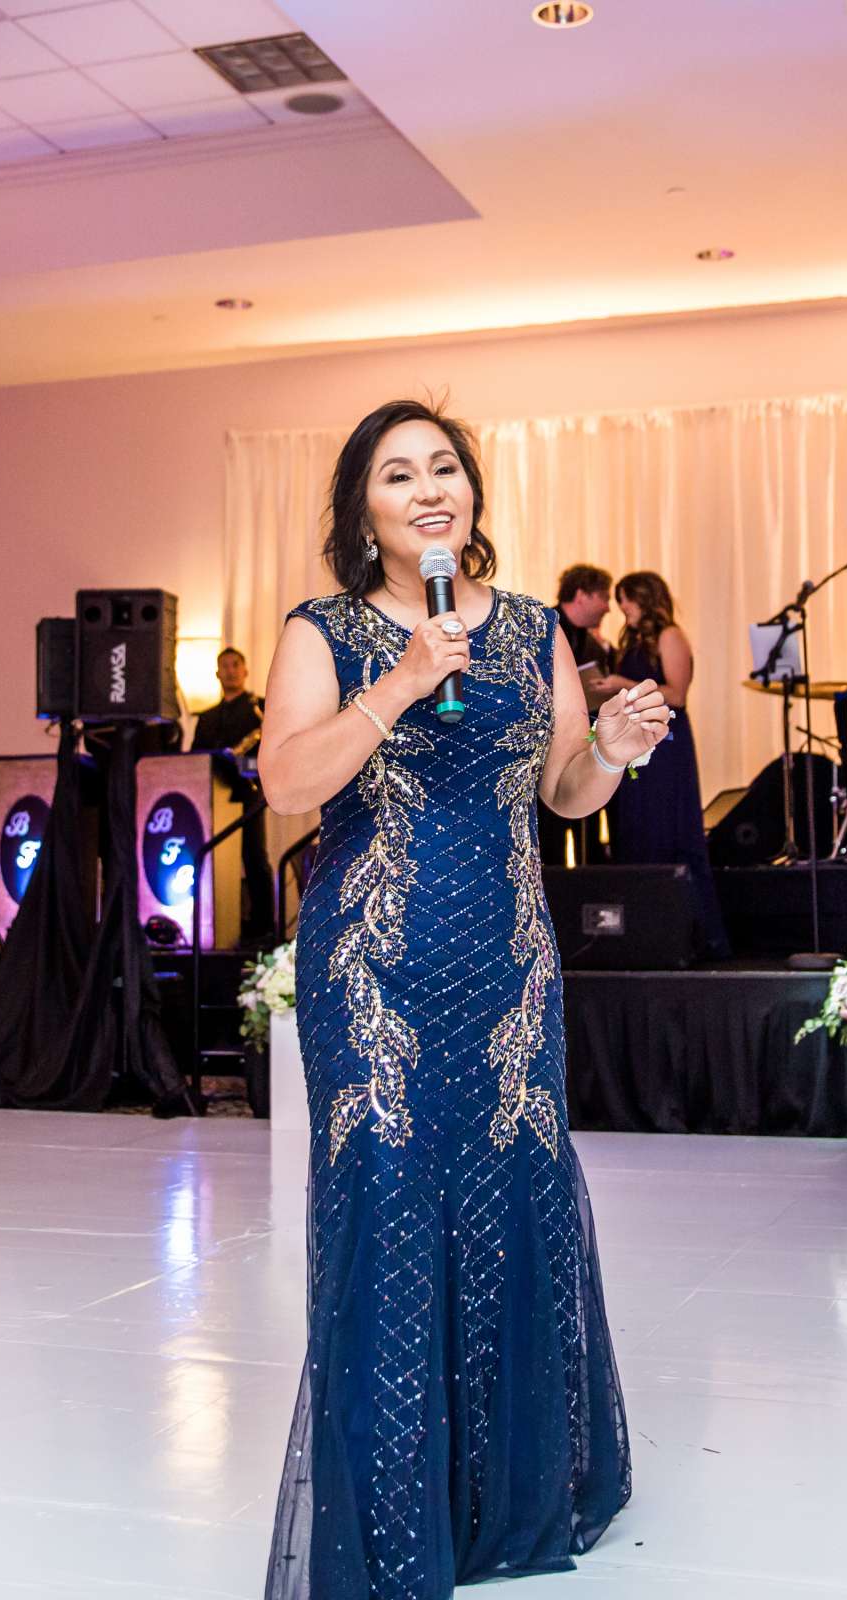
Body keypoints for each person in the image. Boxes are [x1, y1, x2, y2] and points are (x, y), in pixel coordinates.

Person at [255, 398, 650, 1598]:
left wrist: (616, 747)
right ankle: (392, 1523)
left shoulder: (534, 630)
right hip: (372, 966)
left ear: (472, 493)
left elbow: (564, 792)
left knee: (512, 1207)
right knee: (386, 1213)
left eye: (444, 469)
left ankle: (510, 1501)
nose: (428, 490)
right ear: (362, 509)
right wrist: (401, 685)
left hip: (509, 967)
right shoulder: (323, 631)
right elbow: (285, 781)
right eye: (397, 474)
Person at [594, 571, 731, 958]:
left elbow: (677, 693)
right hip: (635, 744)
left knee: (667, 829)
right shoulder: (633, 640)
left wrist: (623, 683)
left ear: (644, 598)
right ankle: (643, 934)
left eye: (627, 600)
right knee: (636, 831)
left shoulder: (671, 635)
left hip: (666, 745)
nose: (623, 608)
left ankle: (698, 935)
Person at [194, 648, 274, 939]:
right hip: (212, 797)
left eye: (235, 665)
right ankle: (215, 923)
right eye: (224, 666)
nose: (230, 671)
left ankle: (263, 927)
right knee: (214, 860)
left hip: (248, 792)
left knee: (254, 857)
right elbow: (196, 757)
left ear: (245, 670)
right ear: (217, 673)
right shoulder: (207, 718)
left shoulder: (261, 707)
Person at [541, 565, 615, 866]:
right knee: (551, 841)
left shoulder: (595, 644)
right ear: (582, 595)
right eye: (604, 597)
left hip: (588, 749)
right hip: (548, 754)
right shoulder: (544, 629)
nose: (608, 607)